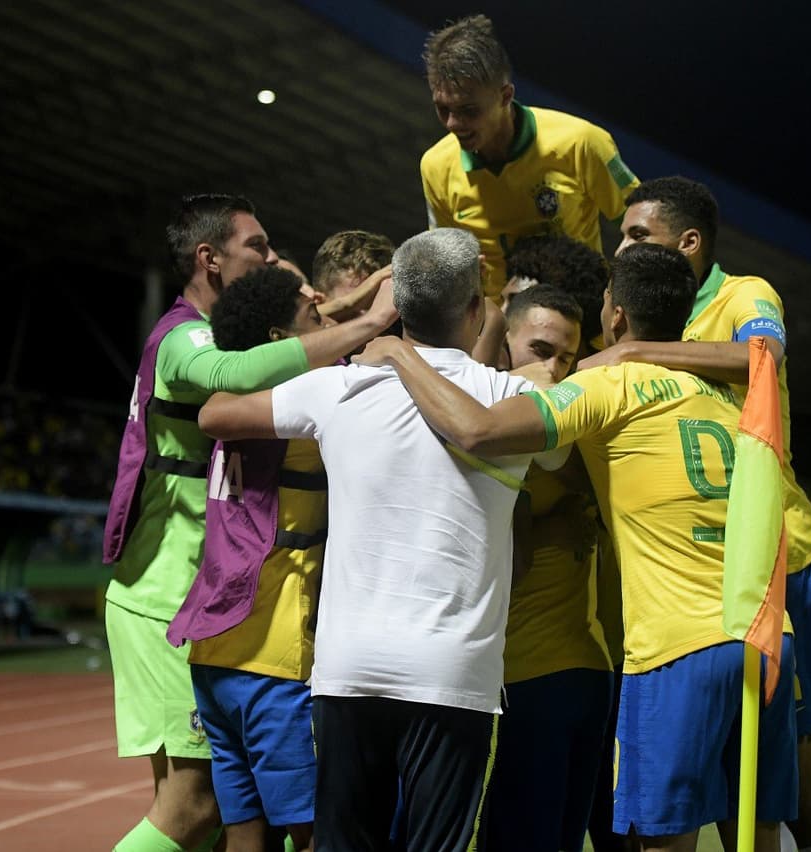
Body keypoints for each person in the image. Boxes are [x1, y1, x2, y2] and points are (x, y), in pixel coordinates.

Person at [355, 242, 799, 852]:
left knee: (661, 843)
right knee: (756, 835)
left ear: (613, 317)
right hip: (767, 636)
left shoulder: (608, 389)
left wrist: (399, 353)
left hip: (676, 648)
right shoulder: (728, 396)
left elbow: (478, 429)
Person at [197, 228, 562, 852]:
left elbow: (214, 412)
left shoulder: (336, 388)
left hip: (347, 670)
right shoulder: (514, 397)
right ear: (475, 312)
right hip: (452, 676)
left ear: (399, 307)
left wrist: (353, 333)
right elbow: (558, 457)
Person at [101, 193, 397, 852]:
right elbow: (236, 370)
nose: (273, 259)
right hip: (164, 598)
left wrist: (353, 302)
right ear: (209, 258)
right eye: (258, 247)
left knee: (222, 817)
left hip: (194, 596)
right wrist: (365, 323)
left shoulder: (213, 330)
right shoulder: (184, 337)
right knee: (193, 807)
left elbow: (276, 340)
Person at [579, 175, 811, 851]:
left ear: (689, 241)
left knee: (787, 788)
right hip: (697, 582)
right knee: (735, 796)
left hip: (781, 561)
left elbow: (761, 357)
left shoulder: (743, 294)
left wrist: (634, 350)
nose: (622, 246)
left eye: (637, 234)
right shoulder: (655, 316)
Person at [165, 264, 325, 852]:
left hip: (213, 655)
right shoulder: (303, 422)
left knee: (243, 835)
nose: (324, 323)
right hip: (272, 658)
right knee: (307, 833)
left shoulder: (231, 403)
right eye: (313, 318)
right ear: (282, 342)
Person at [478, 284, 614, 852]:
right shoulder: (493, 418)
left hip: (542, 679)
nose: (553, 368)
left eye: (566, 356)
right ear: (501, 341)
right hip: (567, 675)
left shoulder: (562, 427)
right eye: (539, 350)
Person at [419, 14, 640, 303]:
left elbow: (644, 227)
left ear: (505, 96)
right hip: (494, 333)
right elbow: (447, 260)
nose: (452, 123)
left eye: (468, 110)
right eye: (442, 109)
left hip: (580, 323)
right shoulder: (435, 166)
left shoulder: (582, 142)